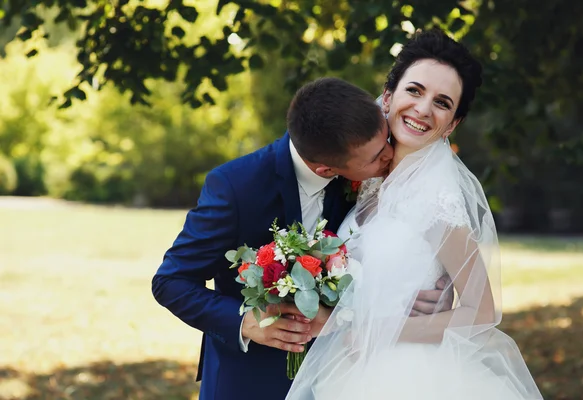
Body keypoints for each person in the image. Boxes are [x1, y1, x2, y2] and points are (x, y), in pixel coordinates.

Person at [151, 77, 453, 400]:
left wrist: (441, 285)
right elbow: (171, 282)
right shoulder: (235, 187)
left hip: (341, 378)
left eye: (387, 141)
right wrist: (244, 322)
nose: (390, 155)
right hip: (248, 382)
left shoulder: (364, 173)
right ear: (326, 169)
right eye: (376, 156)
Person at [286, 29, 543, 399]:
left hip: (409, 376)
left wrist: (386, 328)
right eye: (415, 90)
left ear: (452, 124)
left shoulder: (437, 199)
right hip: (346, 369)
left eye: (442, 102)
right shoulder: (369, 174)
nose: (423, 109)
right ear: (388, 96)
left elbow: (482, 310)